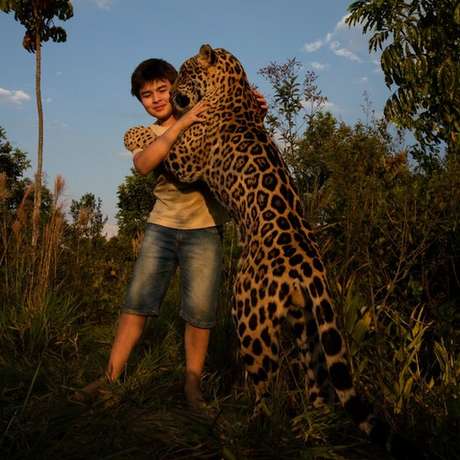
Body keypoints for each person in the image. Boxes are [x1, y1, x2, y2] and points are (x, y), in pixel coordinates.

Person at [76, 57, 267, 409]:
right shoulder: (143, 134)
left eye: (163, 89)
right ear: (140, 101)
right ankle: (110, 378)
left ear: (176, 86)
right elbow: (145, 164)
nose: (157, 98)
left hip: (205, 228)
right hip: (161, 227)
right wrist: (180, 126)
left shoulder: (205, 115)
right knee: (137, 303)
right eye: (147, 95)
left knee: (200, 312)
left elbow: (240, 140)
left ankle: (192, 386)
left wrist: (256, 110)